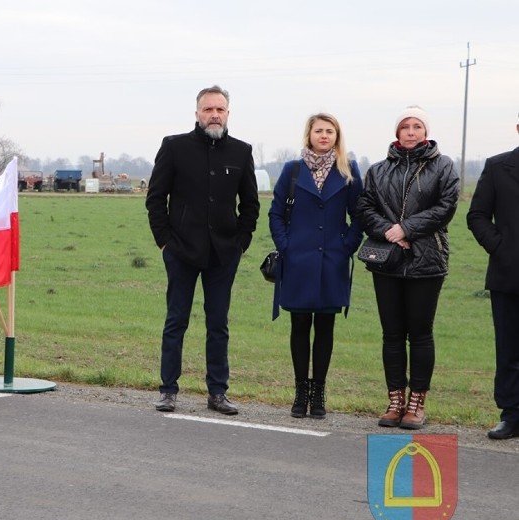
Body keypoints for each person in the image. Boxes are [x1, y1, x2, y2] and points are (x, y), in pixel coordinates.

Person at [145, 85, 260, 414]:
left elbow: (250, 204)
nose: (214, 114)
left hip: (224, 253)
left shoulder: (241, 152)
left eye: (220, 109)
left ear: (228, 113)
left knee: (218, 324)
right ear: (197, 113)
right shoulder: (175, 147)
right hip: (181, 250)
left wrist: (241, 242)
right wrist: (165, 241)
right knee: (176, 320)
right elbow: (156, 198)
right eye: (208, 109)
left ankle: (217, 392)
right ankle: (168, 390)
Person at [357, 106, 459, 429]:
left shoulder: (444, 167)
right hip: (387, 262)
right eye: (406, 126)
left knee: (420, 333)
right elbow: (364, 207)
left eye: (417, 126)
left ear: (425, 132)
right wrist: (390, 230)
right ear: (397, 133)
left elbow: (446, 207)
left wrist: (407, 229)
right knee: (391, 334)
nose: (411, 131)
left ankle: (417, 403)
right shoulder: (377, 170)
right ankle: (395, 400)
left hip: (427, 261)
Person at [269, 113, 363, 419]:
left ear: (337, 136)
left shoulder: (348, 170)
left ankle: (319, 393)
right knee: (299, 326)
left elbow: (358, 215)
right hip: (298, 261)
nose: (324, 136)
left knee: (325, 328)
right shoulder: (292, 170)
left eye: (330, 131)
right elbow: (275, 213)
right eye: (319, 130)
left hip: (331, 262)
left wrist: (346, 247)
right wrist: (287, 247)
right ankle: (300, 392)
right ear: (309, 134)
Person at [466, 113, 519, 440]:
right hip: (509, 275)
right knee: (510, 350)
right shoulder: (498, 167)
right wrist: (501, 248)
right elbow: (477, 215)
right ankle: (511, 415)